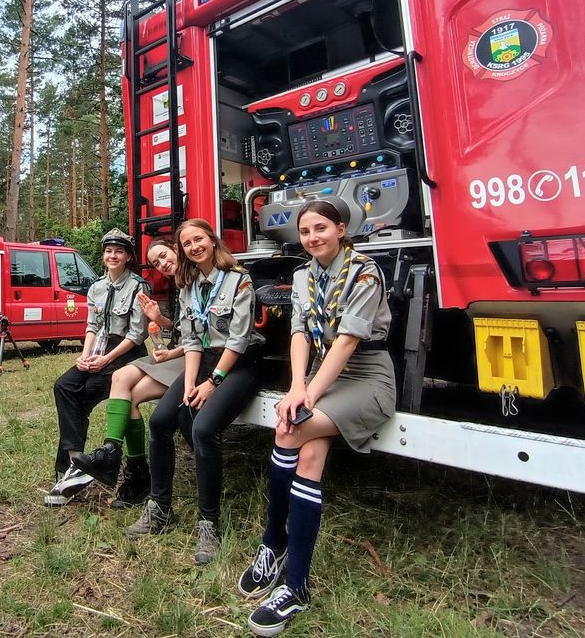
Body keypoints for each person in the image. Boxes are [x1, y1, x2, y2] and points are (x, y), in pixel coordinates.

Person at [241, 198, 395, 637]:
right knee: (307, 459)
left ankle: (275, 546)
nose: (313, 238)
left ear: (341, 229)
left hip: (366, 376)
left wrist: (308, 393)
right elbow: (297, 334)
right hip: (320, 374)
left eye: (321, 228)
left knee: (289, 428)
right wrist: (296, 385)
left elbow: (347, 341)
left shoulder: (364, 270)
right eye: (306, 232)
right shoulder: (304, 274)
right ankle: (294, 580)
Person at [126, 218, 262, 566]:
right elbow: (191, 341)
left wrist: (211, 383)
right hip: (202, 361)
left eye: (198, 239)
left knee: (203, 429)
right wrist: (188, 383)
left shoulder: (238, 279)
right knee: (160, 422)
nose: (193, 247)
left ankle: (208, 522)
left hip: (240, 363)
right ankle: (159, 508)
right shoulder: (189, 287)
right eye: (187, 243)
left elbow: (238, 339)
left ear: (212, 241)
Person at [70, 237, 184, 508]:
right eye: (157, 262)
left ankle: (134, 472)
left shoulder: (189, 281)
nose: (163, 264)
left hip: (189, 356)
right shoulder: (180, 284)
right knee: (120, 378)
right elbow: (178, 328)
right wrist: (159, 319)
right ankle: (113, 454)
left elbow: (197, 339)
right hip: (175, 351)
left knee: (129, 393)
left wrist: (169, 348)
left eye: (165, 257)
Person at [46, 228, 150, 507]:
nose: (112, 256)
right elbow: (92, 327)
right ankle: (74, 461)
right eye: (108, 251)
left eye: (118, 251)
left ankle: (72, 470)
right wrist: (84, 356)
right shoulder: (96, 288)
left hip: (126, 354)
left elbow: (137, 335)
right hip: (99, 349)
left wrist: (105, 360)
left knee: (86, 393)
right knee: (65, 386)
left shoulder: (138, 286)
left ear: (128, 256)